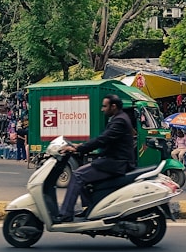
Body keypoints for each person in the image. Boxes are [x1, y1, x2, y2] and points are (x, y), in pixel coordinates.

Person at [56, 94, 136, 223]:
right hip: (114, 160)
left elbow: (102, 140)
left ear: (113, 106)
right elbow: (104, 140)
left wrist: (78, 149)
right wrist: (80, 146)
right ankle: (90, 209)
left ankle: (65, 214)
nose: (102, 109)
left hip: (116, 163)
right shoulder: (119, 118)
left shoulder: (119, 121)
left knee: (77, 175)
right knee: (83, 174)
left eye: (105, 106)